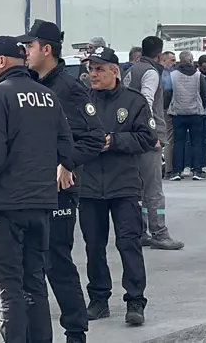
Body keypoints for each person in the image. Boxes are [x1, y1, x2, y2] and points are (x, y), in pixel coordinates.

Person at [0, 35, 75, 343]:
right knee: (34, 283)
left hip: (5, 206)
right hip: (41, 204)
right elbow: (67, 149)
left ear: (0, 62)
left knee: (9, 287)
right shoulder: (47, 96)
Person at [20, 19, 108, 343]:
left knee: (57, 261)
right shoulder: (27, 85)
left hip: (59, 191)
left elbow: (95, 138)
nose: (25, 52)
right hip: (28, 190)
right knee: (32, 263)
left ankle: (75, 331)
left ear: (46, 49)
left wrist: (66, 162)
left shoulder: (71, 90)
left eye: (30, 46)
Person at [77, 46, 155, 327]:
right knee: (93, 246)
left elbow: (147, 138)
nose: (93, 74)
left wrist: (114, 141)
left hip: (124, 185)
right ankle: (98, 299)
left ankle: (135, 300)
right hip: (88, 187)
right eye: (90, 69)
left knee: (128, 243)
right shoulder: (81, 100)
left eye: (99, 69)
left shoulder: (133, 102)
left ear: (114, 70)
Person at [122, 36, 182, 250]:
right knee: (154, 188)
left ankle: (141, 231)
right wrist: (152, 134)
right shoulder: (151, 72)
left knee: (138, 188)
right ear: (159, 54)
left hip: (131, 136)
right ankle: (160, 233)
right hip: (147, 137)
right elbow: (145, 102)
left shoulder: (131, 71)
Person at [168, 51, 206, 181]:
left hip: (178, 113)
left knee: (178, 143)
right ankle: (197, 171)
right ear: (191, 60)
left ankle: (176, 172)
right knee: (197, 143)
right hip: (195, 114)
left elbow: (167, 93)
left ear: (179, 61)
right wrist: (202, 105)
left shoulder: (172, 75)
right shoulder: (198, 76)